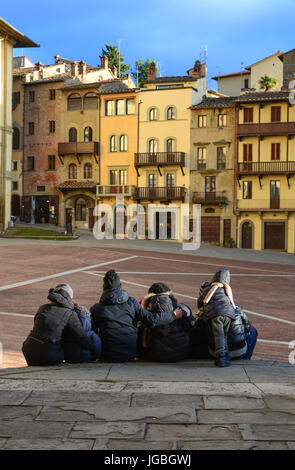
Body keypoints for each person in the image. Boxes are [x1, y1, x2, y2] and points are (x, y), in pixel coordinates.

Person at [90, 270, 183, 363]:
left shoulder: (97, 308)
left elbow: (92, 334)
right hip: (129, 353)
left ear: (104, 288)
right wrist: (172, 315)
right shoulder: (131, 302)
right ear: (120, 286)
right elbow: (151, 319)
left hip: (108, 355)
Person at [22, 284, 95, 366]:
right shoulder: (70, 313)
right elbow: (81, 336)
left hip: (28, 348)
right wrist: (92, 348)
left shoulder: (42, 308)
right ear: (69, 298)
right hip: (49, 354)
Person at [139, 282, 195, 362]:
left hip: (156, 354)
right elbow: (191, 328)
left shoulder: (145, 312)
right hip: (182, 353)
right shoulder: (183, 308)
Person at [196, 268, 239, 367]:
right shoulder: (227, 290)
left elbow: (200, 304)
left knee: (218, 334)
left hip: (215, 314)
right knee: (224, 334)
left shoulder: (207, 289)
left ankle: (221, 357)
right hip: (229, 314)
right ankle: (226, 353)